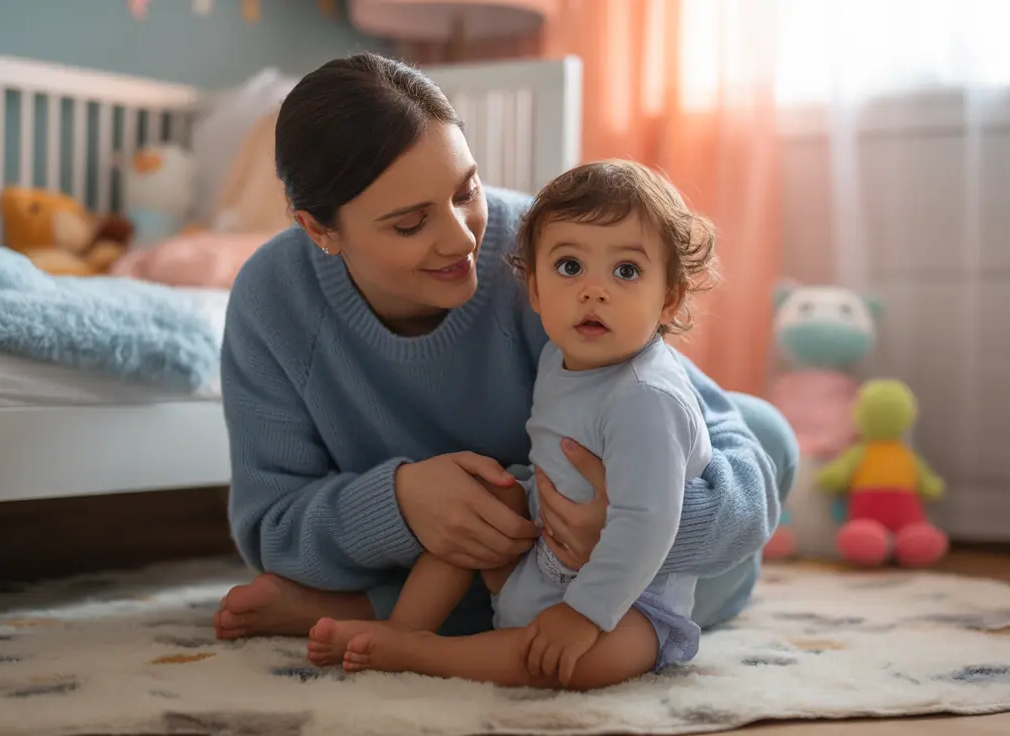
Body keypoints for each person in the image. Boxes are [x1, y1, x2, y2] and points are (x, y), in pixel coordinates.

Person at [211, 51, 798, 653]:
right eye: (410, 224)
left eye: (466, 190)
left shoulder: (552, 258)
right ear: (319, 230)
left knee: (763, 435)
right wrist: (400, 504)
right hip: (468, 556)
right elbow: (271, 528)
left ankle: (376, 608)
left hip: (568, 543)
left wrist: (619, 524)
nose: (460, 239)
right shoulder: (274, 297)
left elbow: (737, 466)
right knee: (679, 594)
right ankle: (421, 606)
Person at [307, 159, 720, 689]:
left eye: (626, 271)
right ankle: (402, 627)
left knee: (578, 665)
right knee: (476, 501)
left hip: (630, 600)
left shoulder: (647, 398)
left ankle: (426, 654)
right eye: (570, 267)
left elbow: (649, 523)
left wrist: (584, 613)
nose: (594, 290)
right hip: (542, 556)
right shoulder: (559, 356)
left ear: (670, 298)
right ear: (536, 291)